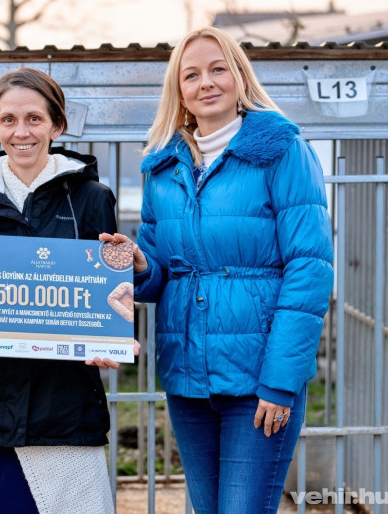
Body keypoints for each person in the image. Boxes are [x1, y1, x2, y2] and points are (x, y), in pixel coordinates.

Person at [110, 26, 333, 514]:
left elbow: (309, 270)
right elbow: (160, 274)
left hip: (259, 381)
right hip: (188, 380)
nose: (206, 82)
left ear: (240, 77)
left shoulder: (283, 150)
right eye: (191, 75)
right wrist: (140, 265)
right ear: (179, 90)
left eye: (218, 69)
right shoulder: (161, 167)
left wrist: (280, 381)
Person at [0, 67, 133, 514]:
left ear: (57, 125)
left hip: (65, 412)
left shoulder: (92, 197)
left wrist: (109, 335)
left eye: (34, 119)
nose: (21, 132)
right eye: (8, 120)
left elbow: (107, 288)